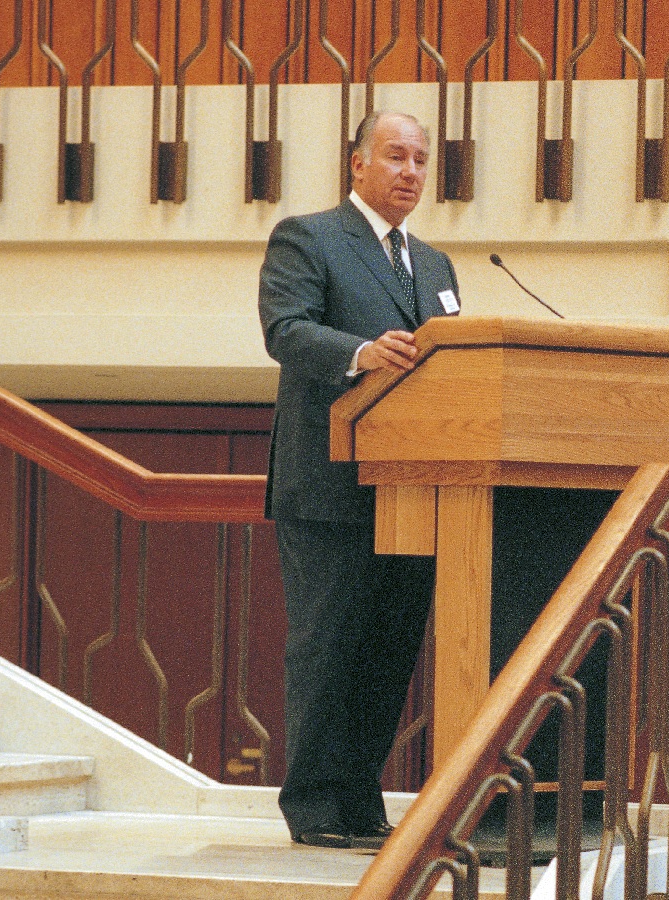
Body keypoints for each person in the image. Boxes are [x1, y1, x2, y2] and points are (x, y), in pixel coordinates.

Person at [258, 110, 460, 849]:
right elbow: (286, 330)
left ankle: (358, 802)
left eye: (419, 159)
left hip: (413, 491)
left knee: (386, 653)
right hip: (329, 487)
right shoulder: (310, 238)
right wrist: (362, 351)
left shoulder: (435, 265)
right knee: (328, 647)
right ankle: (312, 806)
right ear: (358, 165)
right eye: (395, 156)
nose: (410, 171)